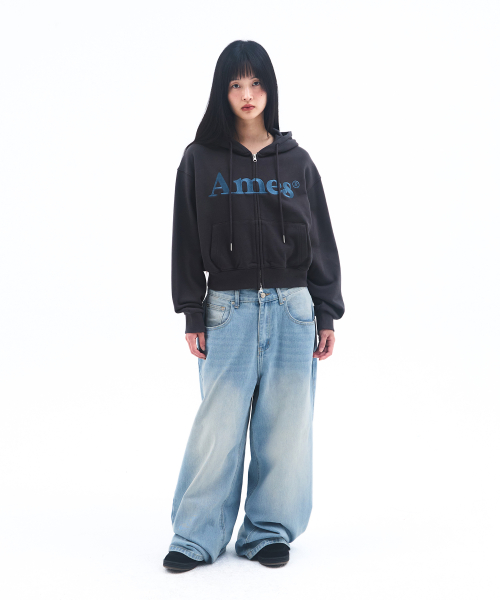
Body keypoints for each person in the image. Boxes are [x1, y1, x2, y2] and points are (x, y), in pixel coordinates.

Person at [163, 40, 345, 572]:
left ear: (270, 89)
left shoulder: (298, 162)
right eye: (236, 84)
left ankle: (267, 531)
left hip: (294, 308)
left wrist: (327, 311)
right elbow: (185, 239)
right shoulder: (198, 160)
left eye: (257, 83)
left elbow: (321, 237)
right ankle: (196, 536)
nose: (248, 94)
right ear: (222, 93)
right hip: (227, 308)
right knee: (217, 427)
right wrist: (192, 310)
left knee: (285, 427)